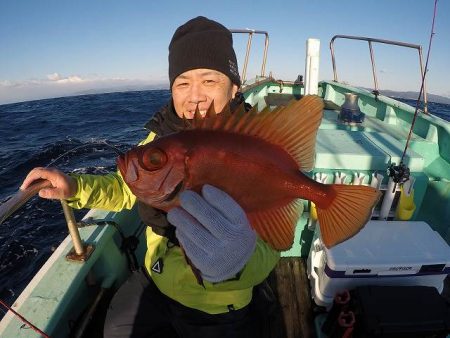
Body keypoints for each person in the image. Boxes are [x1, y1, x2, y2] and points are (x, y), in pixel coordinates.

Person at [21, 16, 280, 338]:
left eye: (209, 81)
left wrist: (234, 264)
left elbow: (275, 242)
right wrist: (73, 186)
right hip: (155, 276)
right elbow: (127, 187)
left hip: (217, 303)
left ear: (235, 87)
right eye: (182, 83)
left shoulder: (259, 150)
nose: (194, 95)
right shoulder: (163, 142)